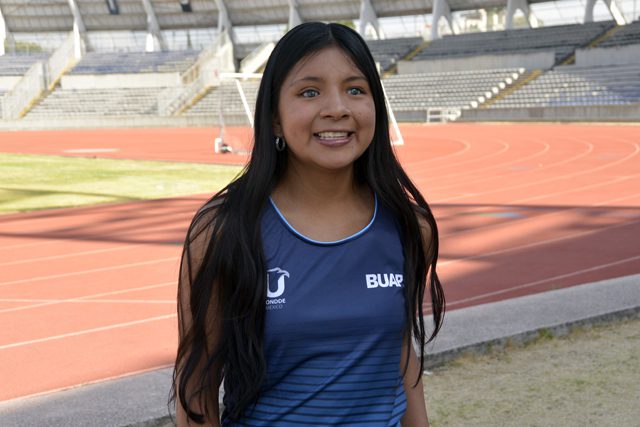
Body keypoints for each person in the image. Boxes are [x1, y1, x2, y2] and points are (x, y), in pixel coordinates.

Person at [171, 22, 445, 426]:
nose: (337, 108)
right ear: (274, 118)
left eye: (355, 89)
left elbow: (401, 355)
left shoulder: (409, 228)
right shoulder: (223, 232)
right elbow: (197, 385)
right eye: (310, 92)